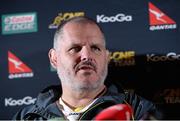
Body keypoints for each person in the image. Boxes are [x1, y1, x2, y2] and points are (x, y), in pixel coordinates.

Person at [13, 16, 163, 120]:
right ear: (54, 58)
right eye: (75, 48)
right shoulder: (27, 117)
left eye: (95, 48)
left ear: (106, 57)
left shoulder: (140, 111)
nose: (86, 56)